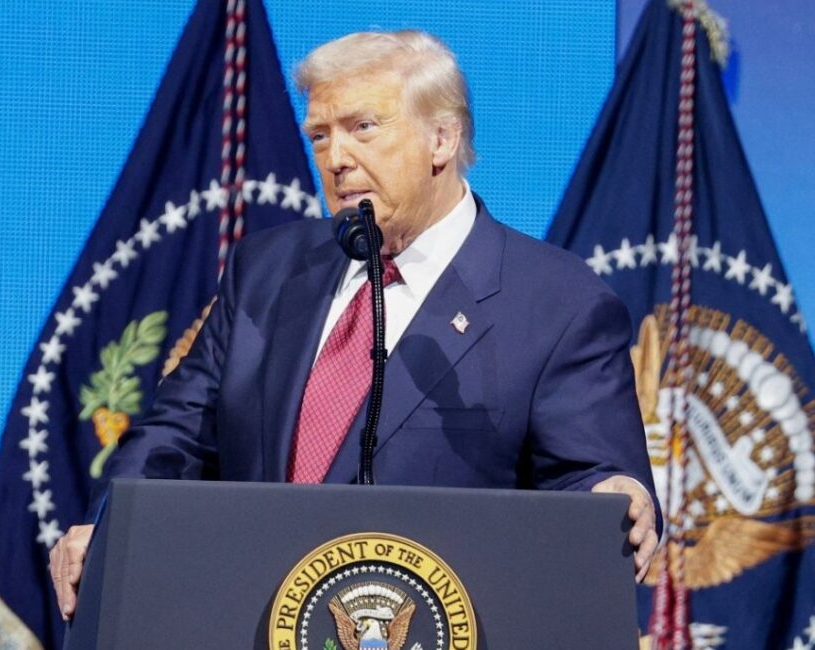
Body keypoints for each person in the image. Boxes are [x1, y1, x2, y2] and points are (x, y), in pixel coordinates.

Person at [51, 29, 659, 620]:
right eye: (319, 135)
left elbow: (590, 480)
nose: (335, 158)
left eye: (362, 128)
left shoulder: (557, 303)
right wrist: (112, 529)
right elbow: (174, 437)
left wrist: (612, 499)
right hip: (247, 622)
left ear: (441, 139)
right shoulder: (266, 269)